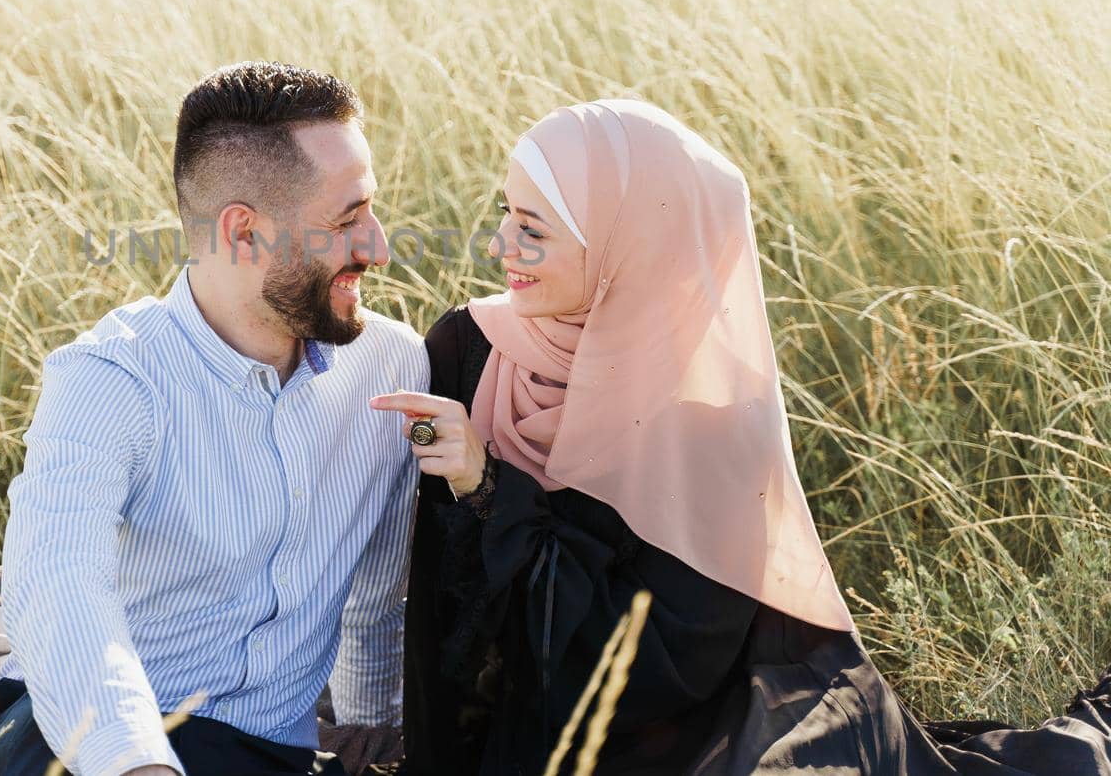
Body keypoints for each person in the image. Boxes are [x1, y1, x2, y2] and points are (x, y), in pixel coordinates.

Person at [373, 98, 1111, 776]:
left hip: (673, 743)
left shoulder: (711, 421)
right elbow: (427, 605)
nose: (500, 243)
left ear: (630, 248)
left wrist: (490, 487)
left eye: (533, 228)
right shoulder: (468, 350)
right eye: (506, 211)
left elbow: (658, 670)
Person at [0, 62, 428, 776]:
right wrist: (137, 763)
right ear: (244, 233)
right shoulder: (111, 376)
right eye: (347, 220)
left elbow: (375, 604)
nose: (379, 247)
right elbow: (57, 580)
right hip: (79, 737)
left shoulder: (392, 369)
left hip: (266, 753)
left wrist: (375, 736)